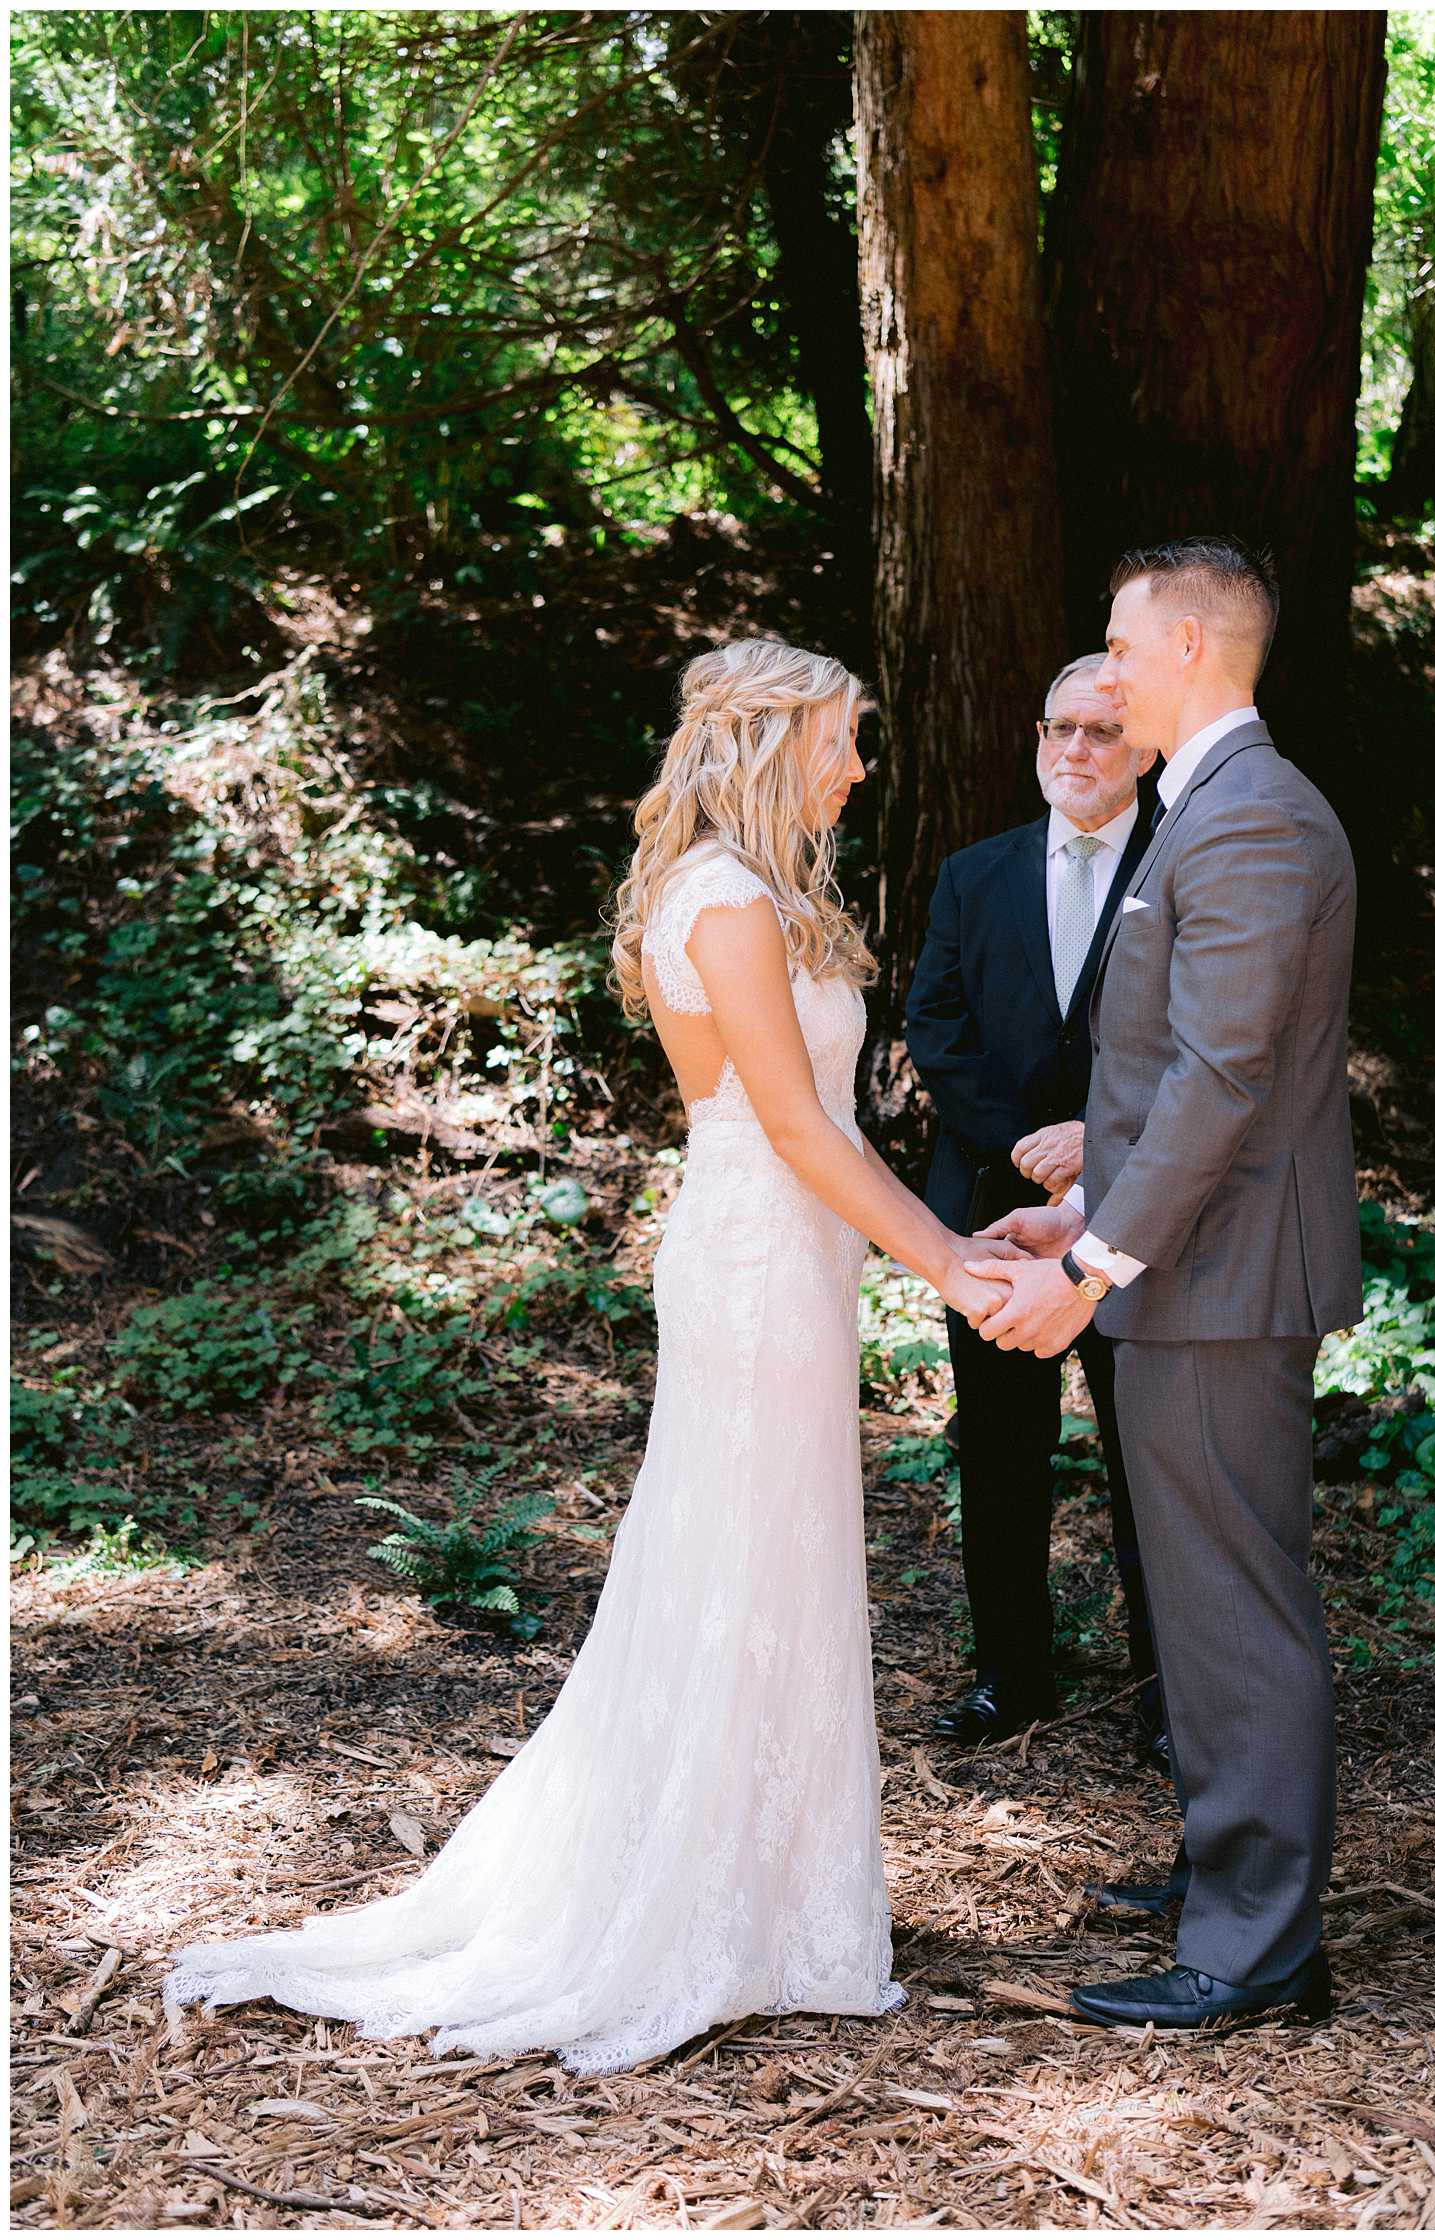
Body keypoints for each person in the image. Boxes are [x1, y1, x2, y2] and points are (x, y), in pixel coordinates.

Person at [164, 637, 1008, 2074]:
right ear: (767, 741)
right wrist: (950, 1263)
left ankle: (778, 1903)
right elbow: (798, 1130)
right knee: (738, 1557)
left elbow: (830, 1139)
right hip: (752, 1255)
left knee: (780, 1560)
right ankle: (689, 1906)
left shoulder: (767, 895)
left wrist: (934, 1245)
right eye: (843, 740)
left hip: (791, 1252)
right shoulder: (726, 900)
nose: (860, 767)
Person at [966, 537, 1360, 2029]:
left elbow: (1226, 1078)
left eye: (1119, 648)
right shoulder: (1212, 809)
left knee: (1236, 1606)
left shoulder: (1252, 818)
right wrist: (1078, 1197)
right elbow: (1173, 1082)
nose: (1104, 674)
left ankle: (1256, 1951)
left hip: (1218, 1282)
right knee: (1201, 1604)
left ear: (1191, 647)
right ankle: (1226, 1877)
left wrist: (1095, 1263)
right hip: (1185, 1266)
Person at [906, 655, 1167, 1764]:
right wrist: (1031, 1147)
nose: (1075, 749)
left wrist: (1098, 1144)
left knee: (1147, 1453)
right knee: (1001, 1451)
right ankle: (1011, 1673)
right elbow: (936, 1026)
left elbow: (1205, 1041)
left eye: (1102, 731)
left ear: (1146, 746)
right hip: (993, 1213)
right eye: (1058, 726)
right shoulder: (974, 874)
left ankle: (1168, 1689)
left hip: (1142, 1211)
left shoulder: (1180, 865)